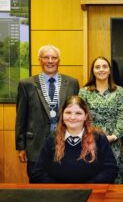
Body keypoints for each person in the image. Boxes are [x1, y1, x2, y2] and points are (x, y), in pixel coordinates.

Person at [15, 44, 80, 182]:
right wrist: (21, 147)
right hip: (35, 146)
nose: (50, 61)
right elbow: (21, 117)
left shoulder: (72, 83)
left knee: (65, 184)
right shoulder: (26, 84)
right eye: (46, 57)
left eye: (54, 58)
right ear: (39, 60)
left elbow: (78, 114)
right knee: (37, 185)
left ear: (59, 61)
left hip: (65, 145)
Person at [31, 96, 118, 183]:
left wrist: (87, 188)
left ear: (85, 116)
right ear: (62, 115)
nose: (72, 117)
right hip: (59, 194)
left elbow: (110, 170)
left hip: (92, 192)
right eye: (68, 112)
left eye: (78, 113)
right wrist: (61, 190)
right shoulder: (51, 139)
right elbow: (38, 173)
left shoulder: (99, 138)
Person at [79, 56, 123, 184]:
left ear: (110, 71)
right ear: (93, 71)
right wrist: (92, 136)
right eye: (97, 67)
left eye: (104, 66)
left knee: (115, 180)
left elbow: (122, 117)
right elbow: (81, 117)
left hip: (113, 143)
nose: (101, 70)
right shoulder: (84, 92)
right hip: (90, 142)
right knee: (92, 179)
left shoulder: (119, 91)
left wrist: (114, 136)